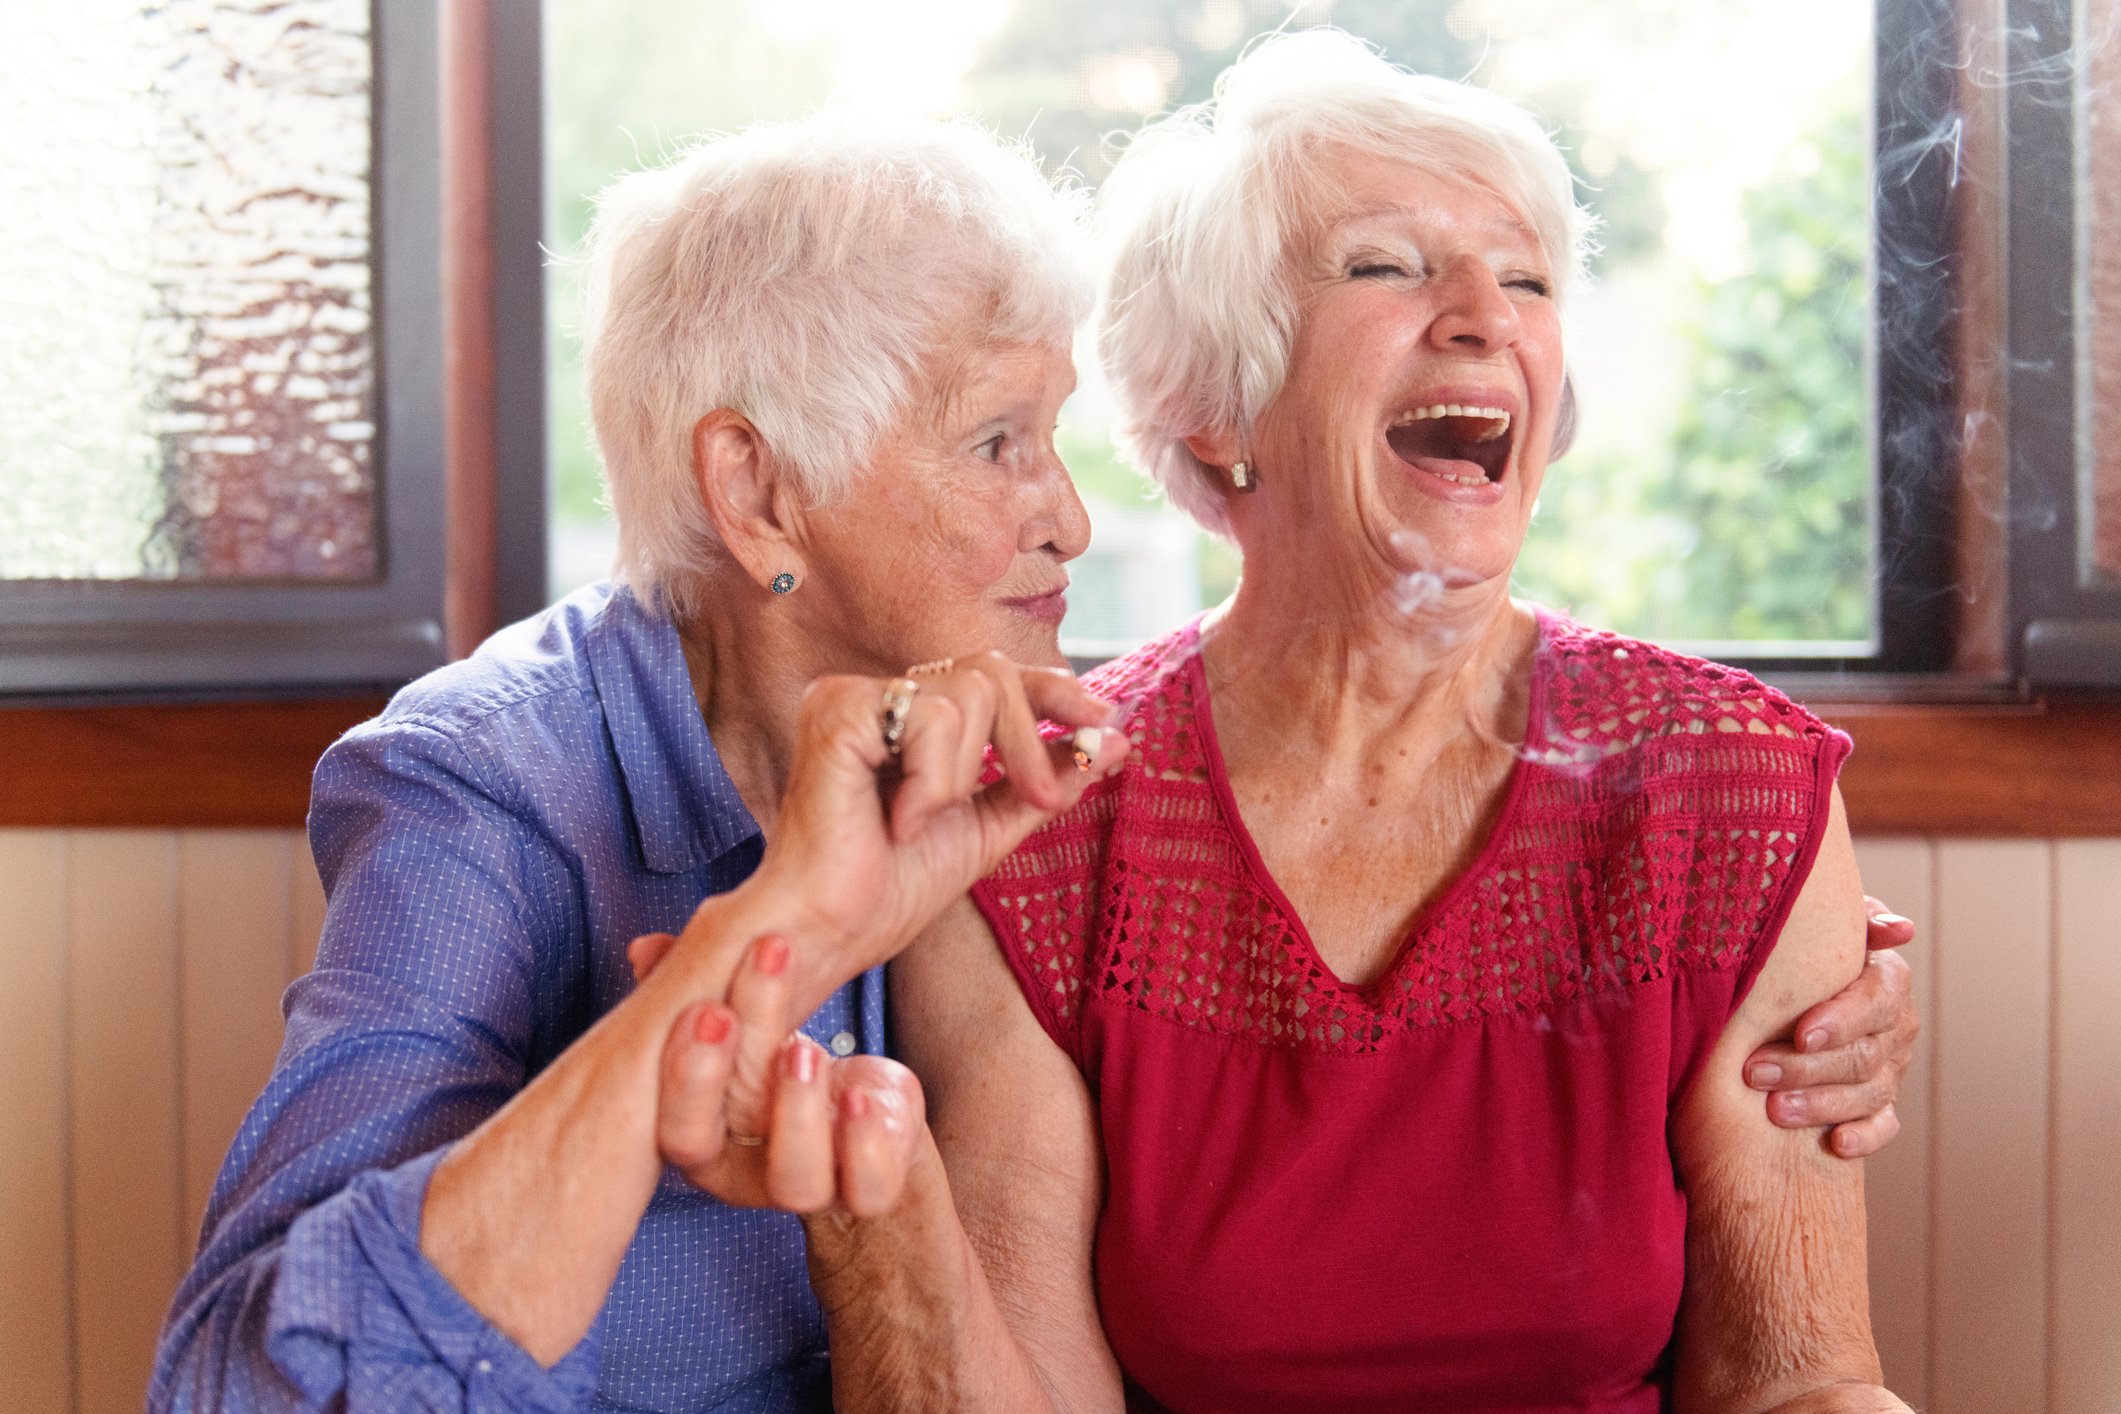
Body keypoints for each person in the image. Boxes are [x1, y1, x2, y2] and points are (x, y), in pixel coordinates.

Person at [155, 100, 1913, 1413]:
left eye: (1056, 434)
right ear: (756, 492)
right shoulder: (512, 787)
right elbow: (250, 1383)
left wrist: (1781, 942)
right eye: (999, 440)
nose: (1070, 516)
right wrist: (768, 951)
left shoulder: (1020, 784)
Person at [848, 32, 1914, 1412]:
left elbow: (1799, 1382)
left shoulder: (1731, 787)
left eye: (1524, 277)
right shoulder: (1036, 821)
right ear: (1225, 403)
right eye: (1384, 266)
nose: (1484, 312)